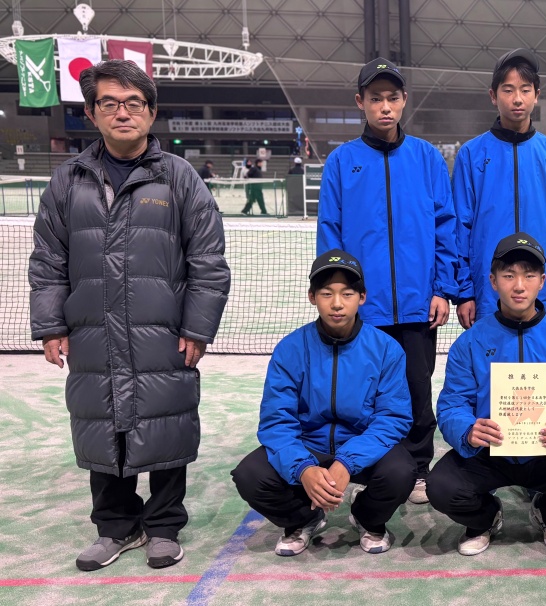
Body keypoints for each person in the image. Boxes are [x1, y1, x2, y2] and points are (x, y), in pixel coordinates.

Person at [28, 59, 230, 571]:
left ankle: (163, 527)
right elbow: (48, 261)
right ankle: (116, 527)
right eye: (110, 103)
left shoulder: (179, 178)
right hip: (92, 333)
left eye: (134, 103)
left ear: (151, 112)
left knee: (166, 424)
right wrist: (50, 325)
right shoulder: (67, 181)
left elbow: (208, 260)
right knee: (100, 423)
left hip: (164, 333)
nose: (123, 113)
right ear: (92, 113)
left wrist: (198, 327)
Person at [317, 57, 459, 505]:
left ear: (404, 101)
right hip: (364, 307)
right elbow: (330, 233)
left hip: (418, 303)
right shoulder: (342, 162)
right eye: (375, 98)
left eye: (392, 98)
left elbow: (446, 226)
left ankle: (417, 468)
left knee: (418, 389)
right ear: (360, 102)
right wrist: (339, 295)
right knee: (364, 392)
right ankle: (367, 465)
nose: (384, 106)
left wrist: (442, 289)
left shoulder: (427, 157)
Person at [426, 232, 546, 555]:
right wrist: (468, 431)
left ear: (542, 281)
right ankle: (484, 518)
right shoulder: (469, 343)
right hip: (489, 451)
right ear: (493, 281)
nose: (519, 286)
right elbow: (453, 404)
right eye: (509, 275)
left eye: (529, 275)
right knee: (441, 487)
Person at [231, 250, 415, 556]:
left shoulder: (386, 349)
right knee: (250, 475)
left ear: (362, 297)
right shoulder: (290, 349)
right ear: (312, 297)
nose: (337, 303)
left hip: (361, 444)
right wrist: (303, 468)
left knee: (402, 471)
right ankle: (304, 518)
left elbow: (393, 418)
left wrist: (347, 461)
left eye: (347, 293)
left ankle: (367, 518)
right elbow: (276, 421)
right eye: (327, 293)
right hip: (308, 446)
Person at [453, 48, 546, 329]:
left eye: (525, 90)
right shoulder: (471, 154)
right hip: (488, 291)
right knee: (491, 357)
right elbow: (461, 226)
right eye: (508, 90)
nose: (517, 99)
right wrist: (465, 292)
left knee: (540, 357)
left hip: (543, 290)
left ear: (536, 95)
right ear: (493, 96)